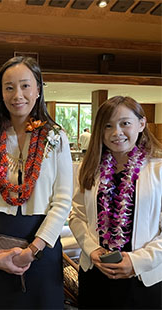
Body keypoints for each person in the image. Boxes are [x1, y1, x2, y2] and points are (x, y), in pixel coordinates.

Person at [0, 56, 73, 309]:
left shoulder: (55, 137)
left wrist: (33, 250)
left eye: (25, 85)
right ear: (1, 93)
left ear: (38, 89)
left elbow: (62, 201)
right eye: (9, 87)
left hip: (42, 244)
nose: (18, 95)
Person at [69, 96, 162, 309]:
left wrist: (137, 261)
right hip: (96, 275)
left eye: (125, 123)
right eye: (107, 126)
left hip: (143, 280)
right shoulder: (89, 169)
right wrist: (92, 250)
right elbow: (77, 215)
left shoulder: (158, 169)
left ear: (141, 124)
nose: (116, 132)